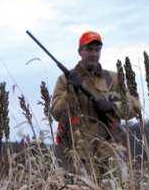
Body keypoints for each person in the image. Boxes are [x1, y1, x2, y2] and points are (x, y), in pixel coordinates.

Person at [50, 31, 140, 178]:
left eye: (97, 50)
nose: (93, 54)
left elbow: (135, 106)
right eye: (89, 49)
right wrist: (71, 91)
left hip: (109, 151)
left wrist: (113, 107)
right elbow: (56, 113)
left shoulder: (113, 79)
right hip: (76, 153)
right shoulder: (65, 80)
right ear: (80, 51)